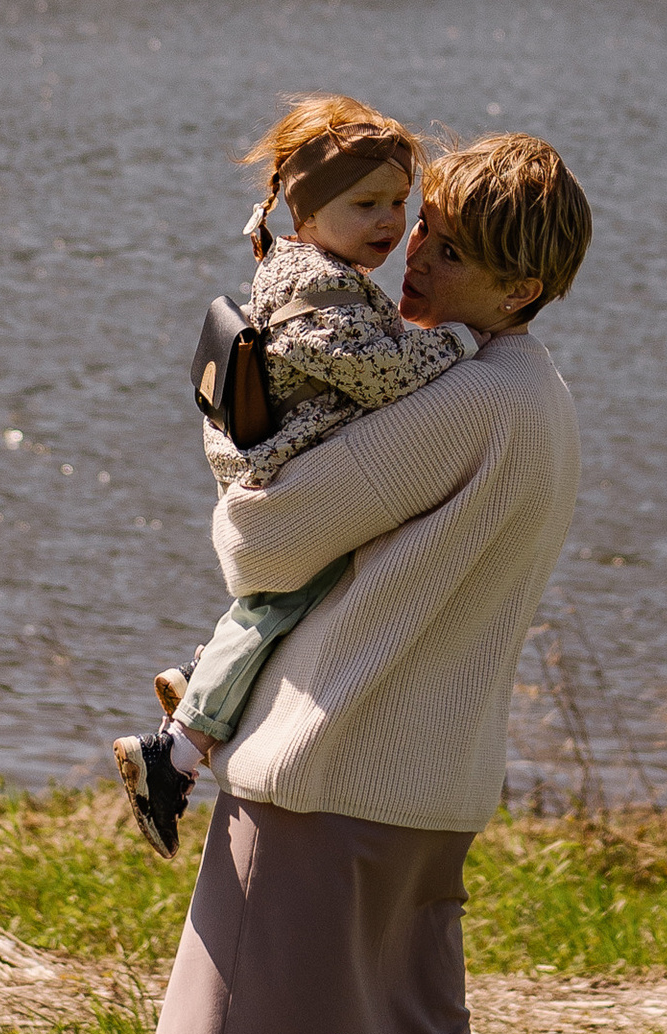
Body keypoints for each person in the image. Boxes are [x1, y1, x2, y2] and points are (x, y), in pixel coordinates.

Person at [111, 129, 593, 1034]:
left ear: (523, 291)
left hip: (323, 774)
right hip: (430, 793)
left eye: (461, 257)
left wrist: (235, 424)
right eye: (424, 230)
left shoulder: (464, 400)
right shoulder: (535, 399)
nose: (418, 258)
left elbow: (260, 548)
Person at [112, 95, 482, 861]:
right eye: (366, 204)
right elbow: (381, 376)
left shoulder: (311, 263)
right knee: (295, 600)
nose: (389, 221)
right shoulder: (317, 292)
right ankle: (174, 752)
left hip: (291, 460)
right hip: (289, 475)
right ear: (307, 210)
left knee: (286, 605)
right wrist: (459, 341)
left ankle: (207, 675)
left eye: (398, 203)